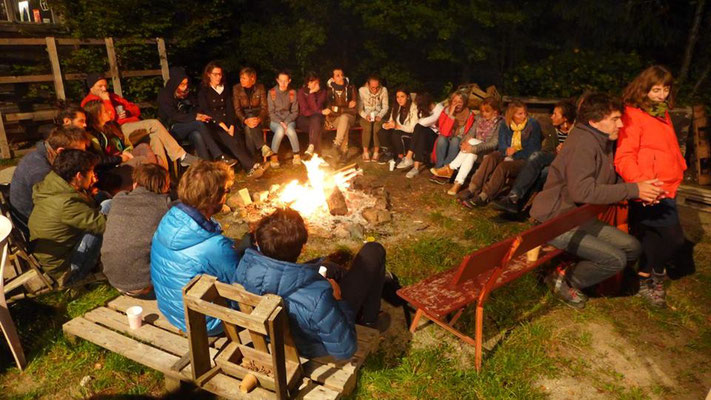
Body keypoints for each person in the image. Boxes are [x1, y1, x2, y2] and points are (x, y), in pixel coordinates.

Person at [530, 93, 663, 308]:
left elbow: (609, 179)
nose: (621, 124)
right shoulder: (583, 143)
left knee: (632, 248)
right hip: (555, 220)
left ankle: (571, 270)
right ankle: (562, 279)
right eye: (614, 119)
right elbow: (582, 192)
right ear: (594, 121)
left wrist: (642, 191)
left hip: (578, 217)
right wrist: (633, 190)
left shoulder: (603, 140)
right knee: (616, 259)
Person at [234, 207, 389, 360]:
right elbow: (345, 349)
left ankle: (356, 286)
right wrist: (338, 300)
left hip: (271, 331)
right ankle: (369, 320)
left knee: (330, 268)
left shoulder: (244, 267)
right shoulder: (318, 296)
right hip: (309, 346)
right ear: (302, 248)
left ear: (259, 242)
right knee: (373, 250)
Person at [616, 65, 688, 307]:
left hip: (668, 183)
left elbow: (666, 148)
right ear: (643, 89)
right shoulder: (632, 113)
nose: (662, 95)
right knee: (674, 239)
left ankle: (644, 278)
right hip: (651, 187)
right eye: (656, 90)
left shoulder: (661, 112)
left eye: (666, 89)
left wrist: (679, 167)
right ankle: (654, 276)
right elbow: (625, 155)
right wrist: (640, 184)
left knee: (653, 236)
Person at [151, 160, 239, 335]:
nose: (226, 196)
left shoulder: (171, 217)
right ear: (214, 197)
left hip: (171, 309)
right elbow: (241, 286)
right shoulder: (215, 246)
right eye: (226, 191)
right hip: (205, 322)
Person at [81, 73, 196, 170]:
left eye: (105, 85)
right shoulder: (91, 102)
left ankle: (161, 175)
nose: (104, 89)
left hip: (133, 125)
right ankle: (181, 155)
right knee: (154, 123)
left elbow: (135, 109)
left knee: (155, 138)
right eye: (100, 86)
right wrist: (107, 101)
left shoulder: (113, 96)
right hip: (119, 129)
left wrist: (127, 111)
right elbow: (109, 117)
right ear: (91, 87)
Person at [29, 149, 107, 287]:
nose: (94, 176)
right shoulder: (66, 204)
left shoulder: (51, 186)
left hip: (54, 256)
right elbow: (104, 225)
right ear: (78, 176)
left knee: (102, 201)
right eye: (90, 173)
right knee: (108, 207)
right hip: (66, 271)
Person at [493, 99, 576, 213]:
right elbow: (548, 148)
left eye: (555, 114)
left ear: (565, 118)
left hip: (568, 162)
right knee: (540, 170)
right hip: (554, 158)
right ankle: (514, 203)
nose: (551, 116)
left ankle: (514, 200)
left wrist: (566, 148)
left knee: (537, 160)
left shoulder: (576, 131)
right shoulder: (553, 129)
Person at [102, 164, 171, 299]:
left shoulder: (118, 199)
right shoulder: (164, 205)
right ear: (165, 187)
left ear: (135, 184)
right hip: (144, 285)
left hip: (114, 280)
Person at [9, 125, 89, 237]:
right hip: (35, 229)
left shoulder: (44, 156)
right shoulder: (42, 173)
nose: (83, 158)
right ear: (61, 152)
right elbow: (65, 206)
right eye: (80, 153)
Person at [458, 100, 542, 207]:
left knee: (503, 167)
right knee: (491, 157)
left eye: (525, 113)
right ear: (512, 115)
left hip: (524, 159)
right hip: (507, 154)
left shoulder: (532, 125)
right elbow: (502, 145)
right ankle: (472, 189)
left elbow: (534, 149)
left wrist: (516, 151)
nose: (524, 116)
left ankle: (484, 196)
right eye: (520, 114)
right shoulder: (505, 125)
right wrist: (506, 150)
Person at [157, 66, 237, 166]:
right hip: (173, 128)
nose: (185, 87)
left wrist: (200, 115)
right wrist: (195, 117)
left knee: (197, 135)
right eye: (182, 84)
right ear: (174, 83)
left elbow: (196, 107)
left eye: (186, 84)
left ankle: (206, 167)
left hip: (189, 126)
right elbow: (173, 116)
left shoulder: (187, 93)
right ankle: (218, 155)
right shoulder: (165, 95)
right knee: (198, 124)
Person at [198, 62, 265, 178]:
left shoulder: (224, 88)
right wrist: (222, 124)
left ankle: (248, 167)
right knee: (230, 140)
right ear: (208, 74)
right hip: (214, 124)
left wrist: (231, 125)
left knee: (236, 138)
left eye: (220, 74)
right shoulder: (204, 90)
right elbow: (206, 110)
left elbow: (230, 108)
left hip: (228, 122)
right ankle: (251, 166)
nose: (218, 77)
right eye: (215, 74)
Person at [430, 97, 503, 195]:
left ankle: (450, 168)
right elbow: (469, 134)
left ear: (495, 111)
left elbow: (493, 144)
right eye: (482, 111)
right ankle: (457, 184)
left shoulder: (500, 123)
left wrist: (473, 147)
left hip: (487, 153)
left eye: (487, 111)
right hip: (473, 152)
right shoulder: (479, 120)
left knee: (472, 143)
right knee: (470, 153)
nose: (484, 114)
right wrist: (463, 144)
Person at [83, 100, 156, 194]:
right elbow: (102, 160)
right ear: (97, 115)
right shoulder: (93, 135)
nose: (109, 112)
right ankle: (154, 186)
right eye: (105, 111)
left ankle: (157, 178)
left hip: (123, 157)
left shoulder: (112, 126)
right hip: (113, 166)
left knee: (143, 147)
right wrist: (120, 158)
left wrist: (126, 152)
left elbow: (126, 143)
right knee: (141, 160)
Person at [232, 67, 274, 161]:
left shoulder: (260, 87)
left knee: (249, 127)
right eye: (240, 78)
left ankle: (251, 160)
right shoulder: (237, 88)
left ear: (252, 78)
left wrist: (259, 118)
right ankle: (262, 146)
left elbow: (264, 107)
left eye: (244, 78)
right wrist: (244, 120)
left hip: (258, 116)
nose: (241, 80)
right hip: (243, 117)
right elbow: (237, 109)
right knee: (248, 125)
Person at [267, 70, 300, 166]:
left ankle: (296, 156)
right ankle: (274, 157)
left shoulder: (292, 93)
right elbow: (271, 112)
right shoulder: (272, 92)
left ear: (289, 81)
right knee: (280, 130)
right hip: (275, 120)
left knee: (290, 130)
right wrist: (280, 122)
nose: (283, 83)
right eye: (281, 80)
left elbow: (295, 112)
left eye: (285, 81)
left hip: (289, 119)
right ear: (277, 80)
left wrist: (286, 121)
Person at [324, 68, 357, 163]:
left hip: (350, 117)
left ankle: (336, 145)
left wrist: (338, 109)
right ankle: (343, 153)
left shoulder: (351, 88)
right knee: (344, 123)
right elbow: (329, 109)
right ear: (333, 78)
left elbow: (354, 110)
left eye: (341, 74)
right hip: (335, 119)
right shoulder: (329, 90)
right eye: (337, 75)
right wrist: (345, 108)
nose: (340, 77)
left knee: (344, 118)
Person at [377, 89, 418, 165]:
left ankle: (401, 156)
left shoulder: (414, 108)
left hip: (410, 133)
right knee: (382, 132)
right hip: (397, 130)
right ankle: (389, 153)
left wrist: (398, 126)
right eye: (397, 97)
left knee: (396, 133)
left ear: (408, 97)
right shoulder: (396, 107)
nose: (399, 99)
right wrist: (386, 125)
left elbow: (413, 128)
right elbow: (391, 121)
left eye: (402, 96)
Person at [357, 75, 388, 162]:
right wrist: (365, 116)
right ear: (368, 85)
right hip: (366, 115)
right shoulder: (361, 91)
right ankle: (365, 152)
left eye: (377, 87)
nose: (375, 90)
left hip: (378, 115)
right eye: (372, 87)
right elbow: (359, 108)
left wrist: (380, 115)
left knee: (376, 127)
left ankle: (376, 152)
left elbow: (385, 106)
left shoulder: (384, 90)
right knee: (367, 127)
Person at [296, 72, 328, 157]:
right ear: (308, 83)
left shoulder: (323, 92)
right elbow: (305, 111)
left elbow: (315, 108)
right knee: (316, 125)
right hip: (303, 120)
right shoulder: (301, 92)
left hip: (317, 119)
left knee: (316, 120)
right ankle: (318, 155)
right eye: (313, 82)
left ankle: (311, 146)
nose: (315, 85)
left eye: (317, 83)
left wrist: (311, 93)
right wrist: (320, 111)